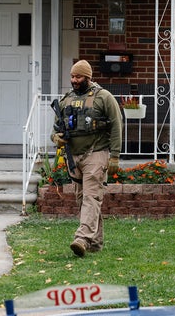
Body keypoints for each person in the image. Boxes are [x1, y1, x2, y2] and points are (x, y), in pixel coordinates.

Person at [51, 60, 122, 257]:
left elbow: (117, 125)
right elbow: (55, 129)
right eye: (72, 76)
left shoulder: (104, 97)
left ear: (88, 77)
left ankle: (81, 238)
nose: (74, 80)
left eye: (78, 77)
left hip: (96, 153)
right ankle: (95, 242)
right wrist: (56, 138)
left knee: (92, 197)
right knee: (83, 200)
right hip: (74, 157)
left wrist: (115, 156)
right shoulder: (66, 100)